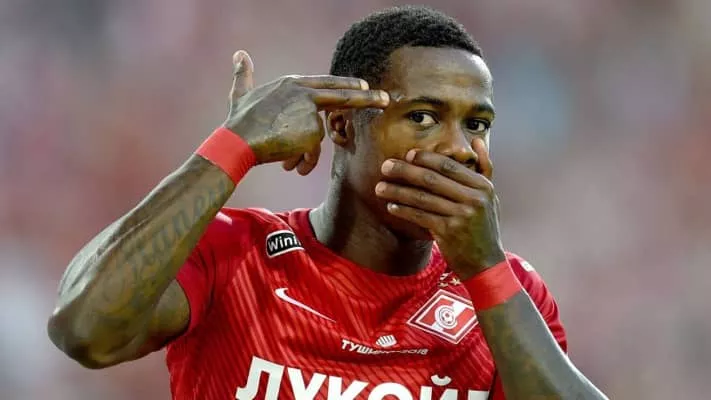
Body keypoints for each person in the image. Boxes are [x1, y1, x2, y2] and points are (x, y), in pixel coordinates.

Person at [48, 6, 607, 400]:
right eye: (423, 116)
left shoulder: (508, 294)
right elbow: (84, 332)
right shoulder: (234, 255)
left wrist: (486, 271)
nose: (461, 149)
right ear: (342, 126)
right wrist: (234, 146)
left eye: (477, 124)